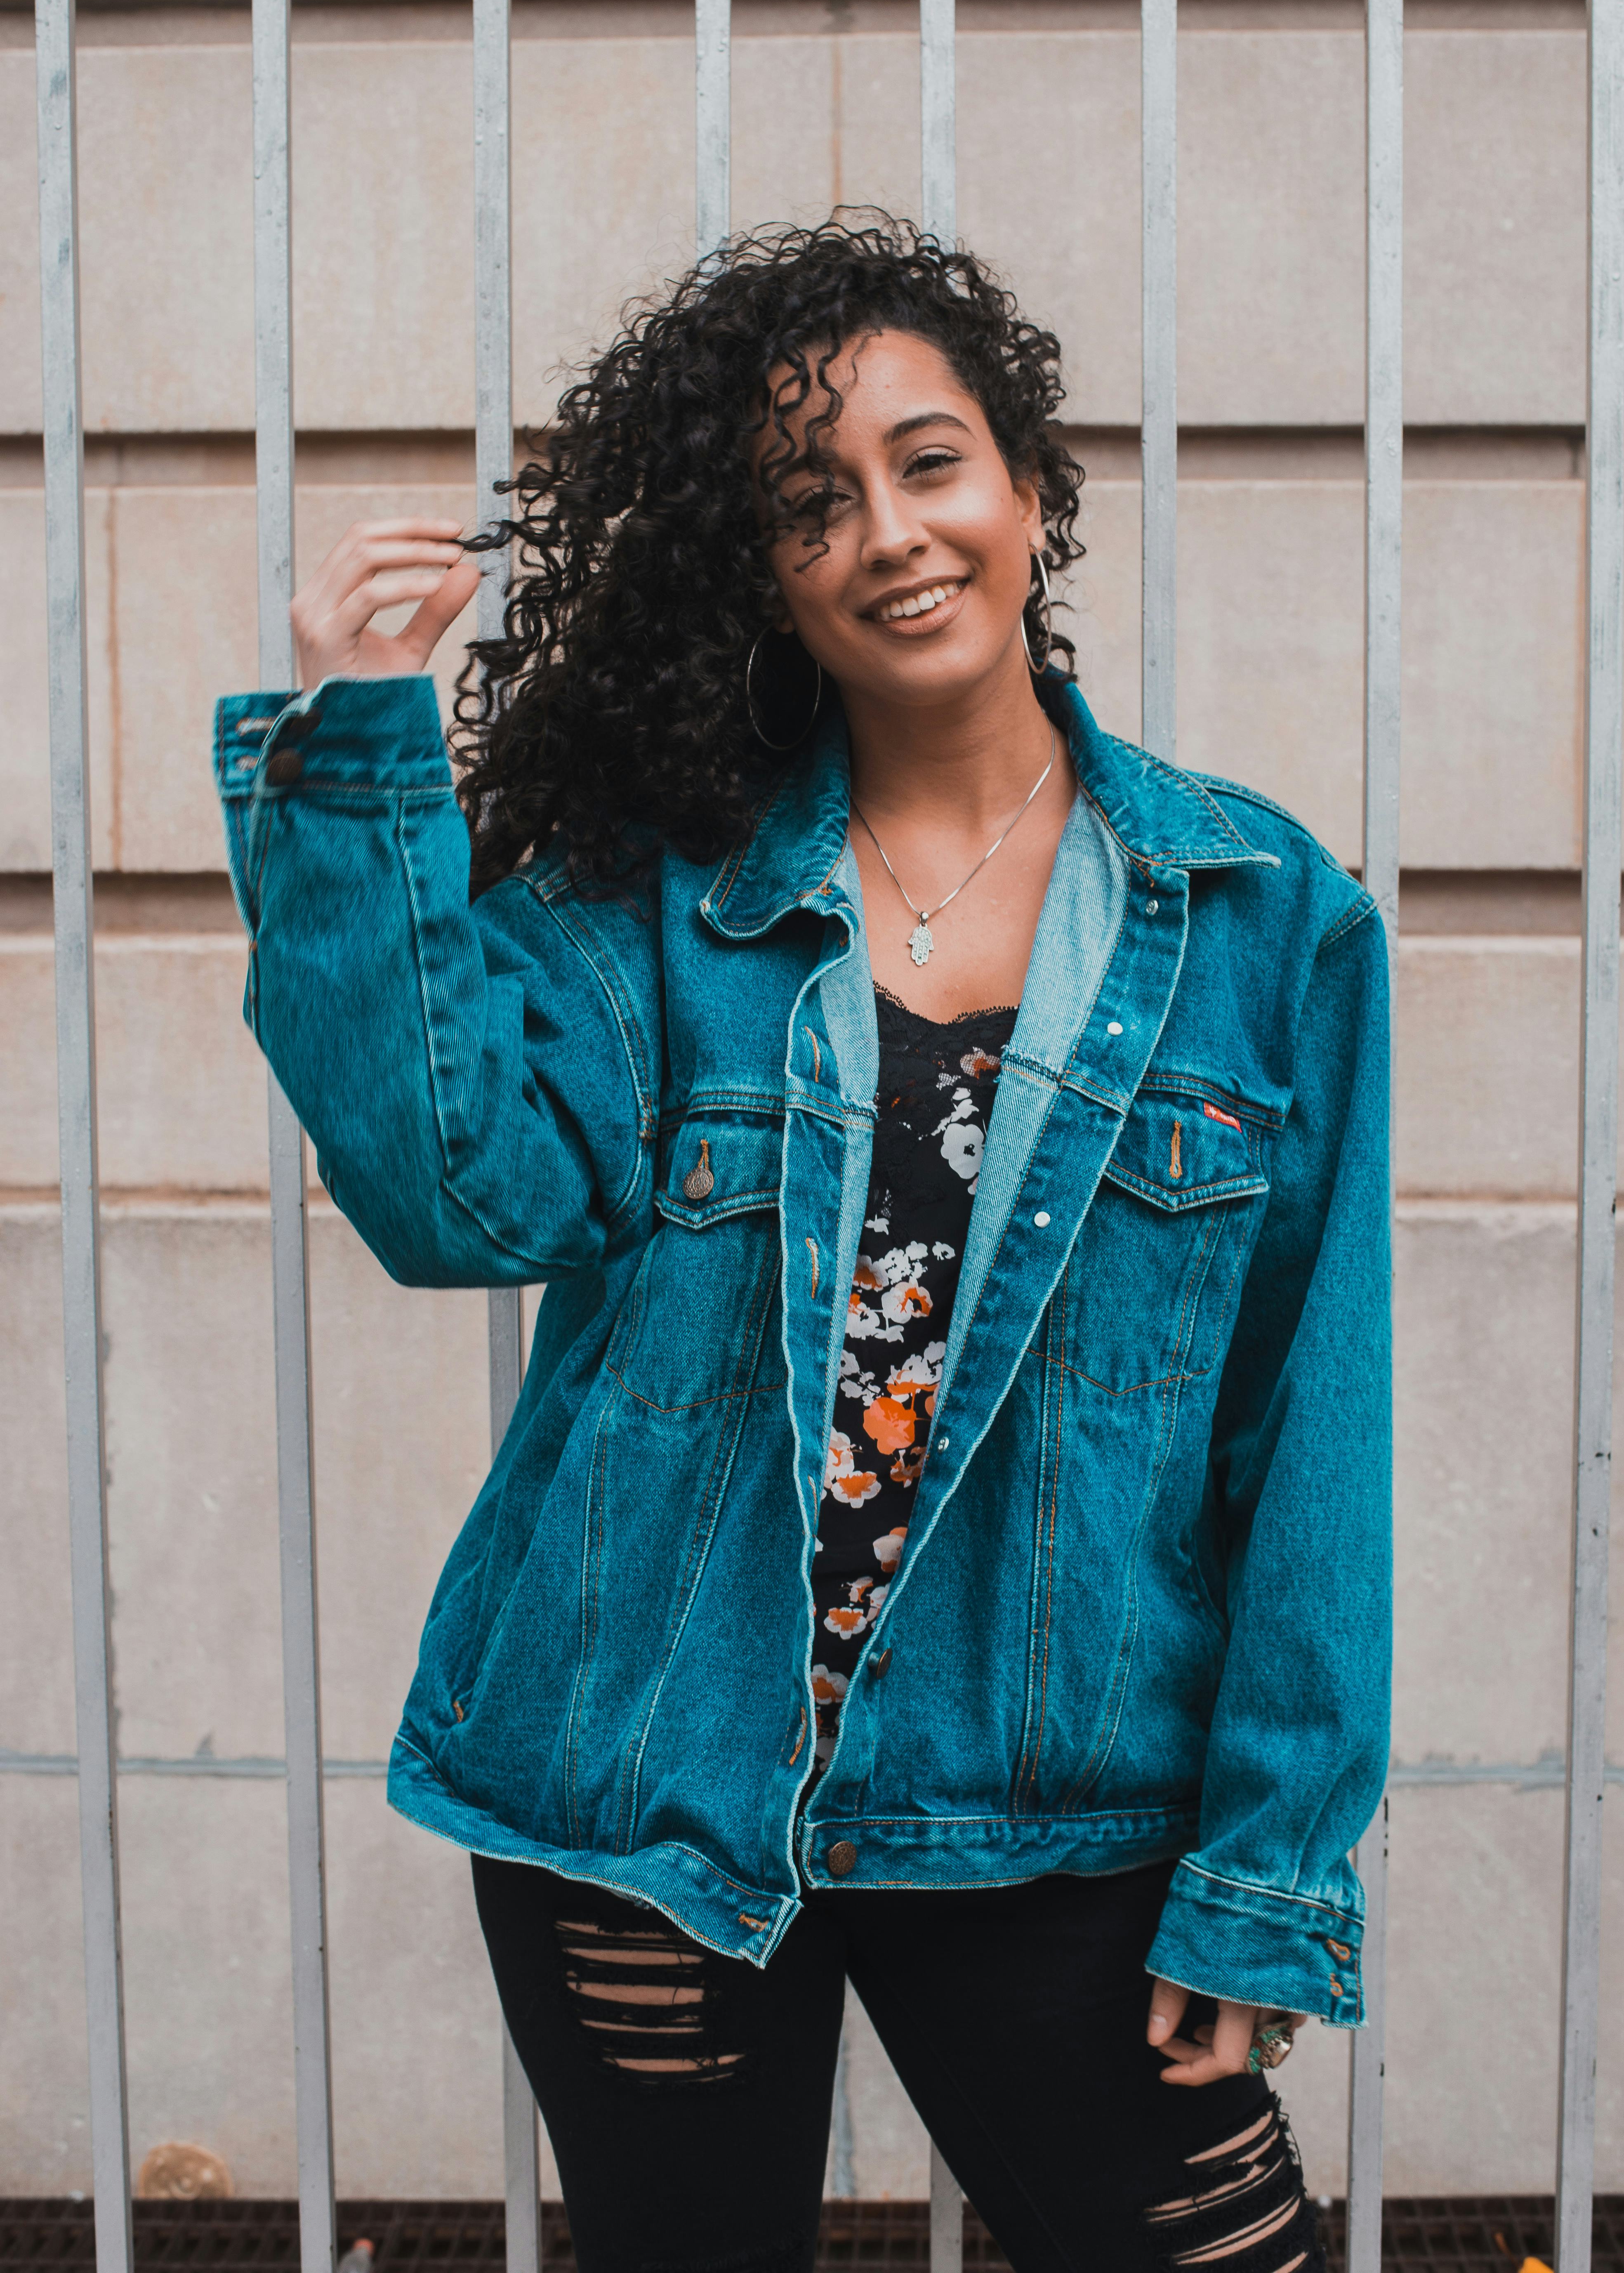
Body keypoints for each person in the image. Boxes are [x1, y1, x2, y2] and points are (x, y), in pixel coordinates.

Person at [214, 220, 1389, 2273]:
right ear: (755, 571)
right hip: (648, 1781)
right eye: (805, 500)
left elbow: (1310, 1425)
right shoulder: (643, 897)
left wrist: (1268, 1861)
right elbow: (452, 1201)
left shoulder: (1261, 915)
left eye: (928, 463)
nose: (886, 532)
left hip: (1059, 1810)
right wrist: (358, 749)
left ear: (1026, 487)